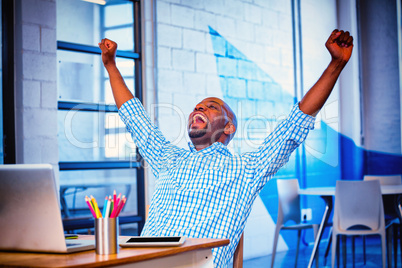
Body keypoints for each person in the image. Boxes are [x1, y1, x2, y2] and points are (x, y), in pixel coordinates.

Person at [98, 29, 353, 267]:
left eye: (211, 106)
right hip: (141, 261)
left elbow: (295, 123)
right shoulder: (168, 159)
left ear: (229, 127)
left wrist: (336, 64)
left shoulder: (246, 169)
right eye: (197, 106)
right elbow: (134, 117)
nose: (198, 108)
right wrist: (111, 65)